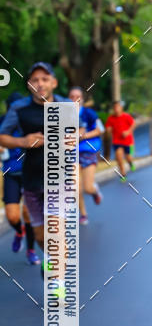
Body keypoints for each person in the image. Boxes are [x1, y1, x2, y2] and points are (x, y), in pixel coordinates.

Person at [0, 62, 71, 279]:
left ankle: (58, 284)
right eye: (35, 79)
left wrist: (73, 137)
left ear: (54, 82)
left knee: (55, 232)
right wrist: (23, 140)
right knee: (40, 235)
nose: (40, 83)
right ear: (29, 84)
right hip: (31, 180)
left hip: (58, 179)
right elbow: (2, 137)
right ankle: (49, 259)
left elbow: (79, 131)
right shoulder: (19, 109)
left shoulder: (66, 106)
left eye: (45, 79)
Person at [0, 91, 40, 264]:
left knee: (28, 213)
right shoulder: (1, 122)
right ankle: (19, 231)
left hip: (31, 171)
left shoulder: (32, 120)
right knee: (12, 216)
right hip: (10, 172)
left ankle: (31, 250)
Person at [68, 86, 104, 224]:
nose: (74, 99)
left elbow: (100, 129)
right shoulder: (64, 115)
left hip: (88, 151)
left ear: (82, 98)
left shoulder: (89, 113)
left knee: (87, 187)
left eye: (77, 96)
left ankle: (94, 192)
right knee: (75, 186)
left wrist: (83, 136)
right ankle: (83, 214)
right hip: (71, 154)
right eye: (71, 96)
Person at [105, 99, 136, 181]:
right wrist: (108, 130)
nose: (116, 109)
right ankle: (123, 174)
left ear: (121, 107)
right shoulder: (111, 118)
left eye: (117, 107)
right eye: (114, 107)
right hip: (117, 141)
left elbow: (133, 124)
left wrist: (128, 132)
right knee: (119, 157)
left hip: (127, 141)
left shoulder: (126, 116)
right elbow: (107, 128)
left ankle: (130, 163)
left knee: (128, 157)